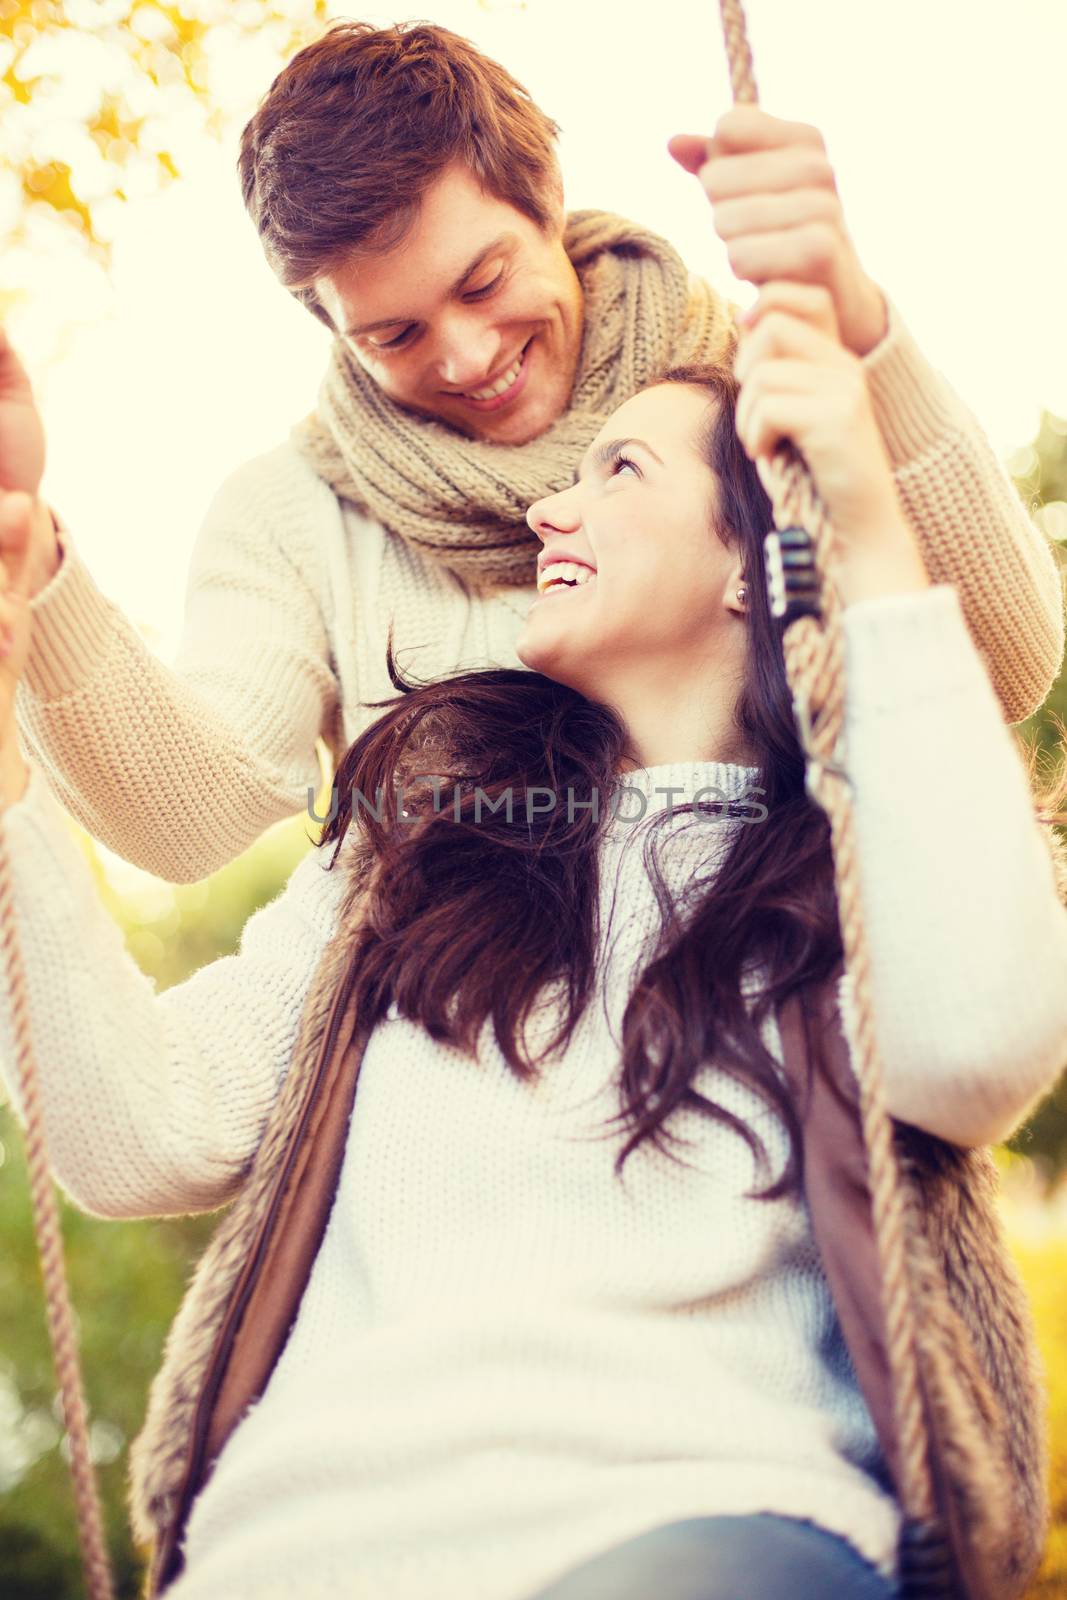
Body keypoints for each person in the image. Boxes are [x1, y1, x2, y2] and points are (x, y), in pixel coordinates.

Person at [1, 278, 1065, 1600]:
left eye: (617, 470)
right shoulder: (416, 848)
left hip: (703, 1523)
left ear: (757, 555)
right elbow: (136, 1133)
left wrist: (864, 512)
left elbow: (978, 1049)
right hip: (293, 1553)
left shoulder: (856, 871)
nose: (547, 507)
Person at [0, 20, 1063, 885]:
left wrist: (862, 327)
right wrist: (30, 552)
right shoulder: (291, 512)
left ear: (543, 195)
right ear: (328, 326)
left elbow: (1005, 666)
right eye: (395, 334)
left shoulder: (766, 385)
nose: (466, 357)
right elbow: (194, 817)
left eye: (481, 282)